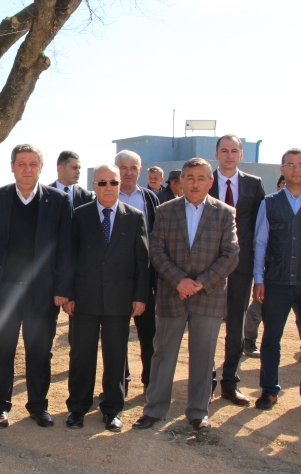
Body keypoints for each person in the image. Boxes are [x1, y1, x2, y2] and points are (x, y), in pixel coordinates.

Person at [133, 158, 239, 433]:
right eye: (189, 177)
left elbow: (231, 255)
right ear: (181, 181)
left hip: (209, 296)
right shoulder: (166, 210)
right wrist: (179, 280)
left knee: (203, 356)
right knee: (163, 353)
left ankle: (197, 411)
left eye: (201, 178)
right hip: (172, 293)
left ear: (210, 181)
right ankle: (154, 409)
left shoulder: (225, 213)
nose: (194, 183)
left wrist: (200, 283)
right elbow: (156, 251)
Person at [0, 144, 73, 428]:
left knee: (39, 353)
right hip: (5, 293)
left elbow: (66, 249)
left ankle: (38, 405)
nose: (27, 169)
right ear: (12, 166)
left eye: (33, 164)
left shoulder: (58, 201)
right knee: (2, 352)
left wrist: (62, 288)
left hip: (42, 293)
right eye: (21, 164)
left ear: (41, 167)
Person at [64, 163, 149, 431]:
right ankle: (77, 408)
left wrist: (140, 296)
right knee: (81, 356)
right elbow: (68, 258)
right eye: (102, 183)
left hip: (119, 300)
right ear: (94, 186)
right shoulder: (78, 216)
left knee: (115, 357)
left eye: (113, 182)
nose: (108, 188)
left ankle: (112, 409)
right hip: (84, 299)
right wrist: (67, 294)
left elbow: (142, 262)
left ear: (119, 183)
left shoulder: (134, 217)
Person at [252, 149, 301, 414]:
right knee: (271, 338)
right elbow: (260, 242)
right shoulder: (269, 203)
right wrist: (259, 279)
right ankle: (269, 390)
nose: (295, 170)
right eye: (290, 165)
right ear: (282, 169)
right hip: (276, 283)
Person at [209, 134, 266, 406]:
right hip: (208, 266)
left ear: (241, 154)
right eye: (224, 151)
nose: (229, 155)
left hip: (241, 266)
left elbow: (260, 229)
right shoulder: (204, 181)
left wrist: (258, 271)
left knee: (235, 325)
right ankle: (204, 382)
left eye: (234, 151)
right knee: (205, 325)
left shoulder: (254, 185)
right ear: (216, 154)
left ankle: (229, 383)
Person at [115, 150, 159, 393]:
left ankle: (150, 381)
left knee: (149, 334)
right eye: (123, 167)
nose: (128, 172)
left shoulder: (152, 199)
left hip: (146, 278)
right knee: (116, 334)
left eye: (133, 167)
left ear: (140, 171)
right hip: (115, 279)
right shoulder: (105, 195)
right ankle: (121, 381)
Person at [244, 173, 286, 358]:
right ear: (277, 187)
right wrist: (259, 275)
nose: (285, 187)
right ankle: (249, 342)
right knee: (257, 310)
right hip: (272, 269)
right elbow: (259, 241)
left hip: (298, 273)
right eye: (282, 184)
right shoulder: (269, 205)